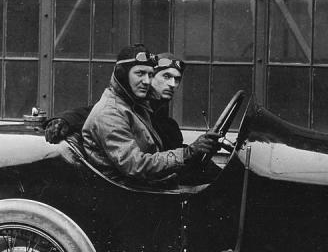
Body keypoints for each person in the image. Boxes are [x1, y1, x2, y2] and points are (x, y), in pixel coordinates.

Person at [79, 46, 217, 186]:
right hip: (129, 194)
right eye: (140, 73)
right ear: (122, 74)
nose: (147, 81)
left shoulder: (136, 105)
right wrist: (187, 153)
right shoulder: (110, 112)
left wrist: (197, 151)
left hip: (148, 184)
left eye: (150, 75)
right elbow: (135, 165)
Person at [43, 48, 185, 150]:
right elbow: (98, 112)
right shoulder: (132, 104)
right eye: (166, 76)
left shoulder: (169, 126)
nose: (172, 84)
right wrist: (64, 119)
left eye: (177, 79)